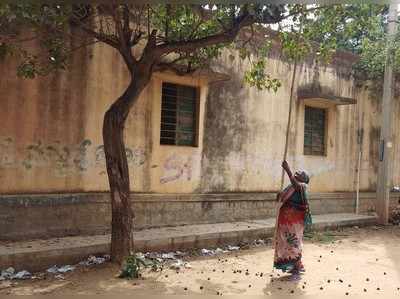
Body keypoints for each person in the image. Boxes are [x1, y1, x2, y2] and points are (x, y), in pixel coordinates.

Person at [273, 160, 312, 275]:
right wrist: (280, 195)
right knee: (284, 243)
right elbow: (281, 199)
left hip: (295, 222)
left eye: (301, 173)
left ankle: (298, 265)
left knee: (293, 242)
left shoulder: (302, 187)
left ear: (304, 179)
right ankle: (291, 264)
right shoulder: (290, 187)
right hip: (285, 221)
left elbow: (296, 185)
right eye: (297, 172)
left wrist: (287, 169)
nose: (298, 173)